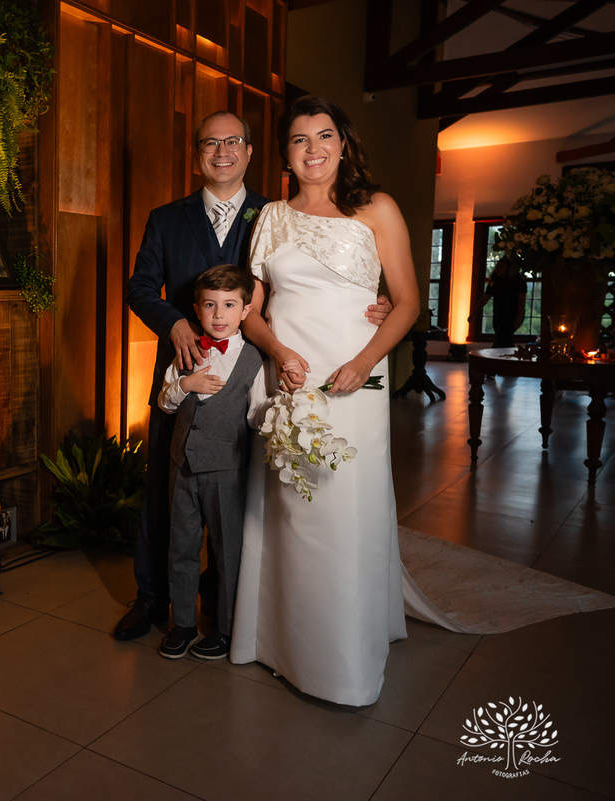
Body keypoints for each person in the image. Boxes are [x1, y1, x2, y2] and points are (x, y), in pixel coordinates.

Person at [119, 110, 393, 641]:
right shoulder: (166, 218)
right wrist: (175, 323)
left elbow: (313, 280)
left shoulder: (277, 213)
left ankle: (226, 603)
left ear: (249, 152)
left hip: (257, 373)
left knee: (242, 491)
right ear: (197, 153)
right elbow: (139, 289)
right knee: (166, 487)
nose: (222, 152)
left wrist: (370, 302)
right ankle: (153, 597)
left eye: (233, 142)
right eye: (209, 143)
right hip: (185, 373)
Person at [229, 95, 421, 706]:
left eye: (325, 136)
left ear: (343, 143)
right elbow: (249, 313)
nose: (314, 149)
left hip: (354, 375)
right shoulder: (271, 218)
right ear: (284, 154)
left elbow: (408, 302)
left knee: (344, 508)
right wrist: (279, 353)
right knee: (290, 509)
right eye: (299, 139)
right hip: (288, 374)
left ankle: (344, 659)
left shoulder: (378, 209)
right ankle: (280, 642)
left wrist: (363, 362)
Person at [156, 264, 267, 660]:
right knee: (181, 546)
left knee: (226, 550)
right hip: (181, 465)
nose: (219, 315)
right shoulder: (187, 353)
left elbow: (256, 416)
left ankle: (225, 628)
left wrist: (276, 413)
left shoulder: (254, 360)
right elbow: (165, 403)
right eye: (210, 306)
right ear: (196, 309)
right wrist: (185, 384)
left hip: (226, 469)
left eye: (229, 305)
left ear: (245, 311)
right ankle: (182, 622)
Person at [469, 257, 526, 349]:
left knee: (502, 339)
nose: (497, 269)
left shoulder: (518, 281)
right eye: (497, 266)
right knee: (504, 340)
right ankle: (506, 360)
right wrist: (473, 313)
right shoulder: (494, 282)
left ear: (508, 268)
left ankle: (493, 360)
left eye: (501, 267)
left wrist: (519, 317)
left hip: (511, 315)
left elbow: (521, 301)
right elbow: (485, 298)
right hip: (498, 316)